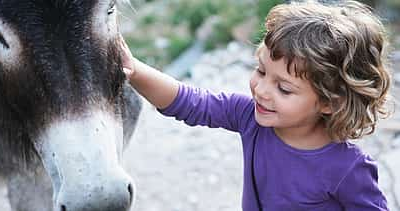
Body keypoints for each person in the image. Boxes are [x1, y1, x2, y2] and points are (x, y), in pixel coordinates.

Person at [118, 0, 392, 210]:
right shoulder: (250, 117)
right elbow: (191, 102)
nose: (260, 90)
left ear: (330, 102)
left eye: (283, 88)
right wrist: (135, 70)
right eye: (261, 71)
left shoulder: (348, 169)